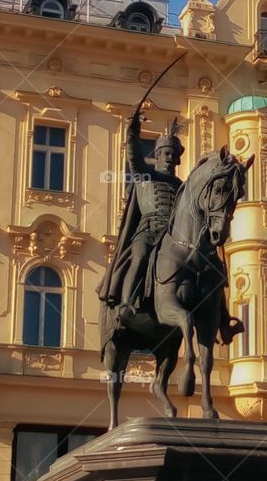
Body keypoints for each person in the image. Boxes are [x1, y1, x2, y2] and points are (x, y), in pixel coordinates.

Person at [97, 104, 243, 344]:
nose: (170, 158)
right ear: (157, 155)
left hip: (174, 235)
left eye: (174, 155)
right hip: (148, 231)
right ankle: (127, 305)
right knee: (141, 254)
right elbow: (133, 155)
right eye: (166, 153)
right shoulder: (147, 176)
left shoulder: (181, 185)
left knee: (213, 265)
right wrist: (132, 130)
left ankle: (223, 322)